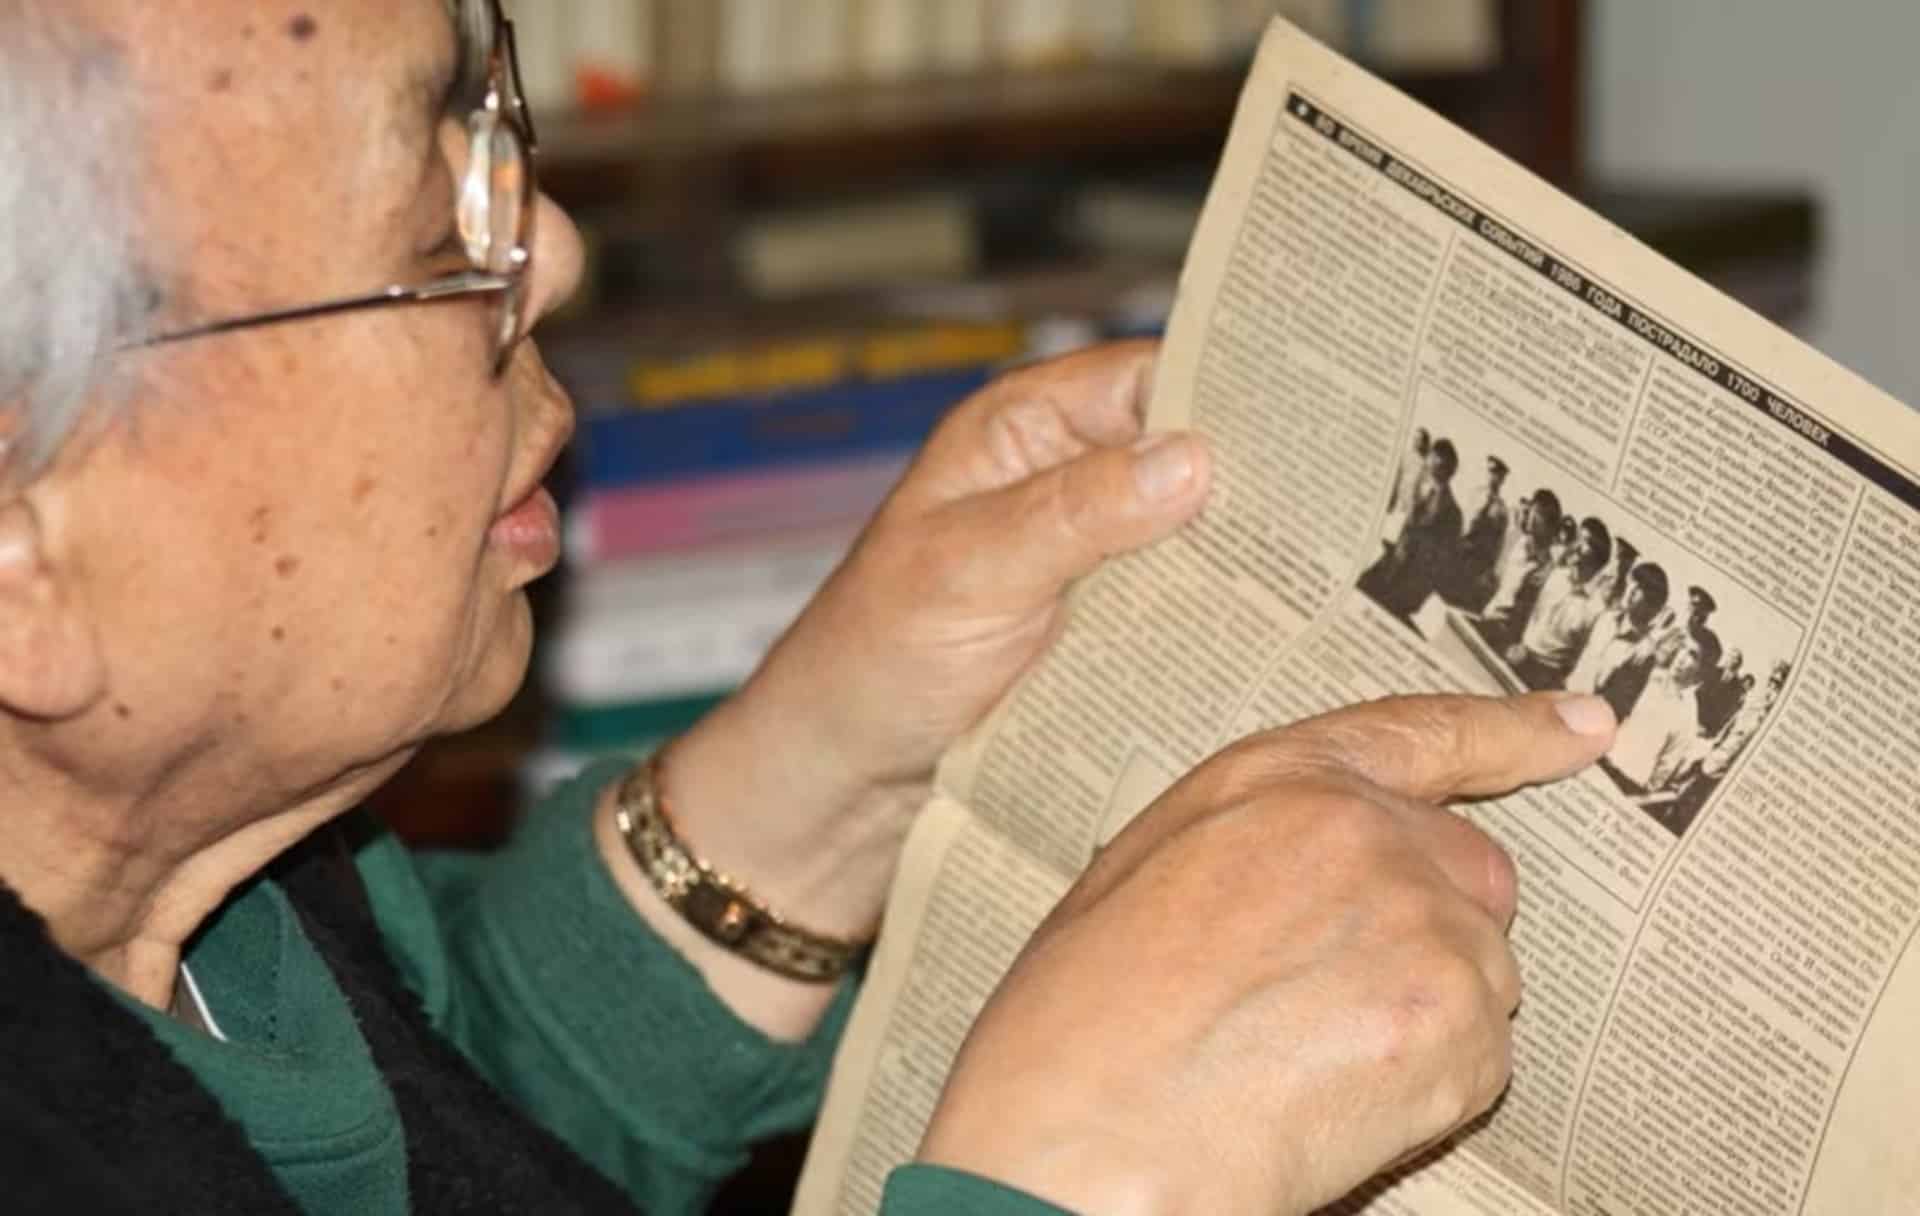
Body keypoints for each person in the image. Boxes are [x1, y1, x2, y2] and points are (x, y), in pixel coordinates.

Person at [0, 3, 1622, 1214]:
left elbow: (425, 1123)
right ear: (25, 564)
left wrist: (817, 775)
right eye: (432, 231)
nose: (549, 249)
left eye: (483, 120)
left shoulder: (210, 920)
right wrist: (1085, 1178)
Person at [1360, 437, 1462, 619]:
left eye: (1437, 459)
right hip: (1388, 568)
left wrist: (1416, 594)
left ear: (1447, 468)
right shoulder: (1417, 491)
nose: (1430, 462)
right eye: (1431, 456)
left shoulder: (1452, 513)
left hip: (1407, 588)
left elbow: (1440, 565)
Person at [1507, 516, 1613, 690]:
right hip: (1518, 654)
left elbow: (1580, 657)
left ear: (1597, 559)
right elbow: (1525, 607)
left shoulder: (1596, 610)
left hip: (1546, 677)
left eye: (1585, 542)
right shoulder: (1555, 575)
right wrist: (1514, 641)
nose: (1577, 545)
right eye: (1578, 538)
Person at [1566, 560, 1668, 722]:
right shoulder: (1606, 618)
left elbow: (1618, 708)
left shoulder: (1643, 654)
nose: (1632, 590)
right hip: (1564, 698)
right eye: (1632, 582)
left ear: (1653, 607)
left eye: (1640, 588)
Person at [1476, 486, 1562, 651]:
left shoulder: (1548, 570)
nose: (1532, 517)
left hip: (1506, 635)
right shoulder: (1518, 542)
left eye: (1540, 514)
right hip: (1487, 615)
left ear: (1551, 528)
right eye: (1533, 510)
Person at [1443, 454, 1509, 610]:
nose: (1491, 477)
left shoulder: (1501, 509)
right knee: (1446, 591)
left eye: (1496, 474)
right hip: (1460, 550)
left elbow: (1498, 543)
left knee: (1462, 598)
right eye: (1490, 471)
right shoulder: (1475, 494)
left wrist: (1489, 568)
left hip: (1477, 561)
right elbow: (1465, 519)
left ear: (1502, 479)